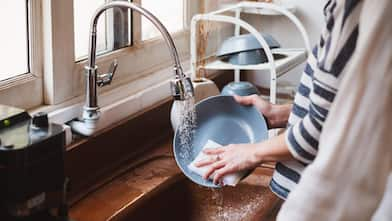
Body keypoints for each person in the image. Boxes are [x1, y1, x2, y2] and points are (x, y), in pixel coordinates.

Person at [196, 0, 391, 219]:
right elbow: (340, 108)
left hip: (332, 200)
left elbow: (318, 135)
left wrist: (252, 152)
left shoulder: (356, 9)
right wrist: (279, 114)